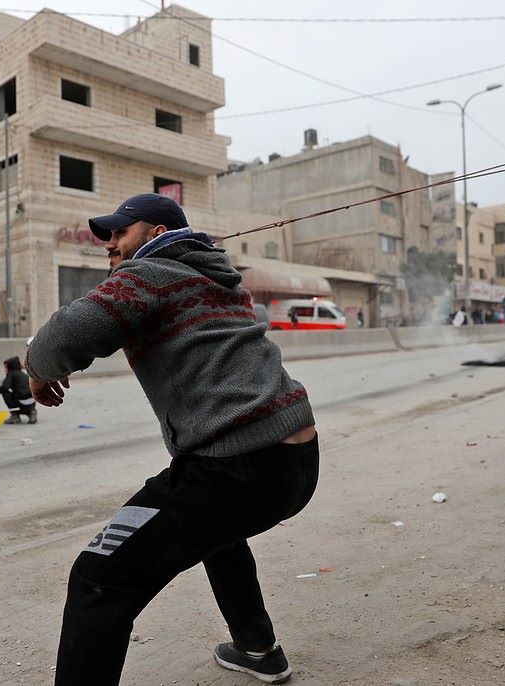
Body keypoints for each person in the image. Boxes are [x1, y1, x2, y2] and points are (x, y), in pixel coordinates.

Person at [26, 193, 318, 685]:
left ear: (157, 234)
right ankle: (258, 649)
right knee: (218, 536)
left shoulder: (150, 274)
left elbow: (66, 335)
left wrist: (37, 367)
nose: (111, 244)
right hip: (297, 461)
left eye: (121, 231)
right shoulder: (218, 279)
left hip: (236, 468)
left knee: (98, 579)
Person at [0, 355, 35, 424]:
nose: (5, 369)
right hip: (32, 402)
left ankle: (14, 415)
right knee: (19, 393)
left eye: (6, 367)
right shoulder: (24, 373)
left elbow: (4, 388)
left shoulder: (11, 375)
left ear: (10, 367)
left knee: (5, 393)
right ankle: (31, 411)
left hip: (21, 403)